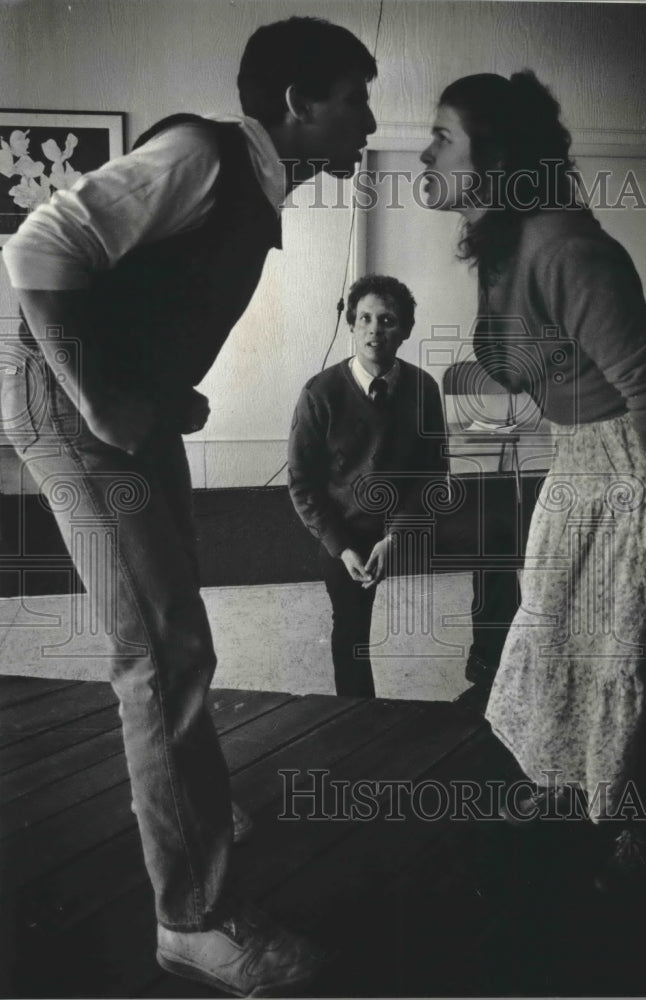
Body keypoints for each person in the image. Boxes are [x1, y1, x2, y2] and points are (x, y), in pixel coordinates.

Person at [0, 16, 376, 995]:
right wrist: (105, 399)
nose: (368, 120)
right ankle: (193, 922)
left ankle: (189, 797)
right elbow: (36, 247)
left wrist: (155, 390)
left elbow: (139, 297)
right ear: (297, 105)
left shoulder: (250, 183)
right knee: (156, 658)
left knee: (179, 641)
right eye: (355, 97)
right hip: (68, 402)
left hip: (119, 406)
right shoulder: (205, 153)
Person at [419, 71, 646, 889]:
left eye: (443, 136)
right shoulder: (506, 244)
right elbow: (531, 365)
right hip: (584, 466)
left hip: (643, 474)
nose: (426, 151)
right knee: (560, 642)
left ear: (496, 156)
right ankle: (587, 807)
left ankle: (642, 841)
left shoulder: (566, 246)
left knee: (630, 654)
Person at [287, 275, 448, 698]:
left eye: (388, 320)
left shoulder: (424, 389)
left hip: (409, 524)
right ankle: (357, 718)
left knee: (496, 545)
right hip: (347, 530)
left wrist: (397, 535)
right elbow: (303, 484)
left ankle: (483, 680)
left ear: (406, 330)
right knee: (351, 626)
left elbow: (433, 473)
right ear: (352, 326)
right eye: (366, 319)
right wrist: (341, 547)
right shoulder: (320, 393)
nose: (376, 329)